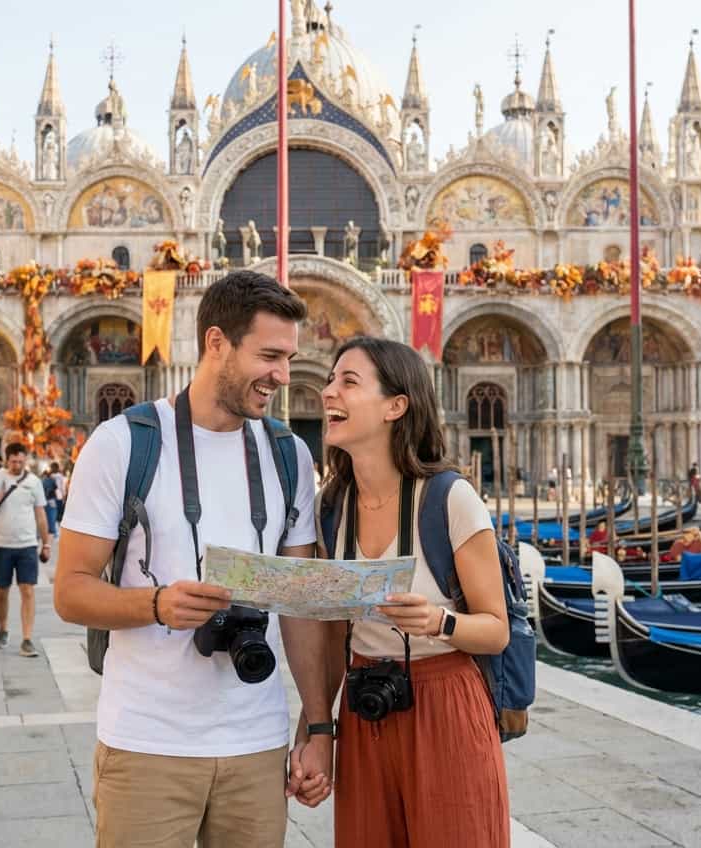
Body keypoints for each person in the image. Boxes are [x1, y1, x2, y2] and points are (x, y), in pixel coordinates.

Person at [52, 270, 332, 847]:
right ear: (216, 343)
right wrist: (157, 604)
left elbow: (300, 605)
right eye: (270, 356)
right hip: (148, 743)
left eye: (290, 358)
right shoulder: (122, 443)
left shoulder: (290, 456)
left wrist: (319, 725)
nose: (284, 375)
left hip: (256, 742)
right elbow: (70, 591)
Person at [310, 337, 510, 845]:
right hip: (363, 708)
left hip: (444, 701)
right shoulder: (331, 507)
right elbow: (335, 636)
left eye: (348, 382)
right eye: (331, 379)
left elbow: (496, 630)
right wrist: (315, 731)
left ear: (396, 406)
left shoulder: (450, 498)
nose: (328, 391)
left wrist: (439, 622)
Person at [0, 444, 49, 658]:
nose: (17, 465)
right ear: (6, 459)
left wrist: (45, 543)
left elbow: (40, 514)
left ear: (25, 459)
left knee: (27, 590)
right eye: (13, 462)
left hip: (27, 544)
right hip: (1, 544)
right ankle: (3, 628)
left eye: (21, 461)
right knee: (2, 591)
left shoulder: (34, 482)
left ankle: (27, 639)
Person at [41, 467, 59, 538]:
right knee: (53, 516)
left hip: (44, 500)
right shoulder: (52, 480)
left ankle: (45, 531)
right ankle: (53, 532)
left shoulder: (42, 481)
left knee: (45, 516)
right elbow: (56, 489)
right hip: (51, 500)